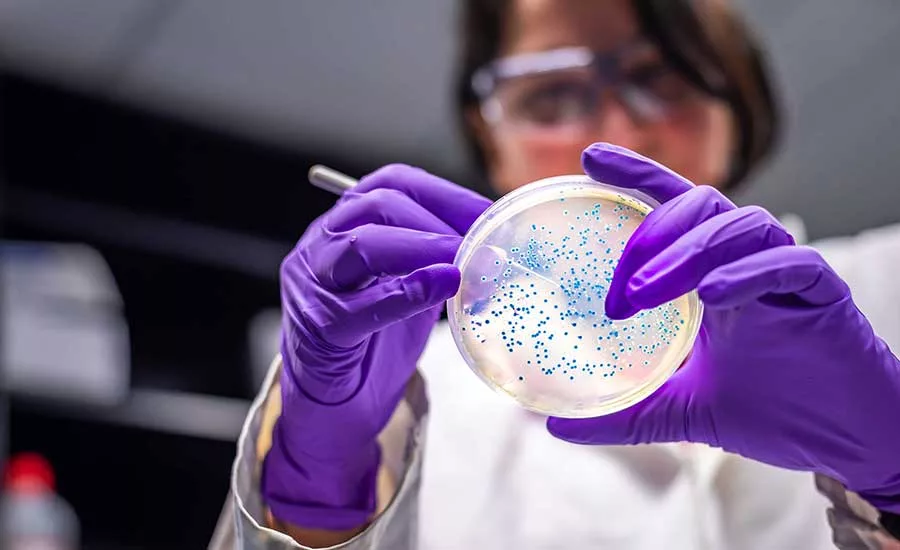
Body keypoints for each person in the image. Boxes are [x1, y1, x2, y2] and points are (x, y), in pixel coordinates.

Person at [208, 1, 900, 548]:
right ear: (490, 136)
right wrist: (320, 485)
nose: (616, 128)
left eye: (660, 78)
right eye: (549, 97)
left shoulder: (888, 285)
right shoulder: (425, 386)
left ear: (738, 105)